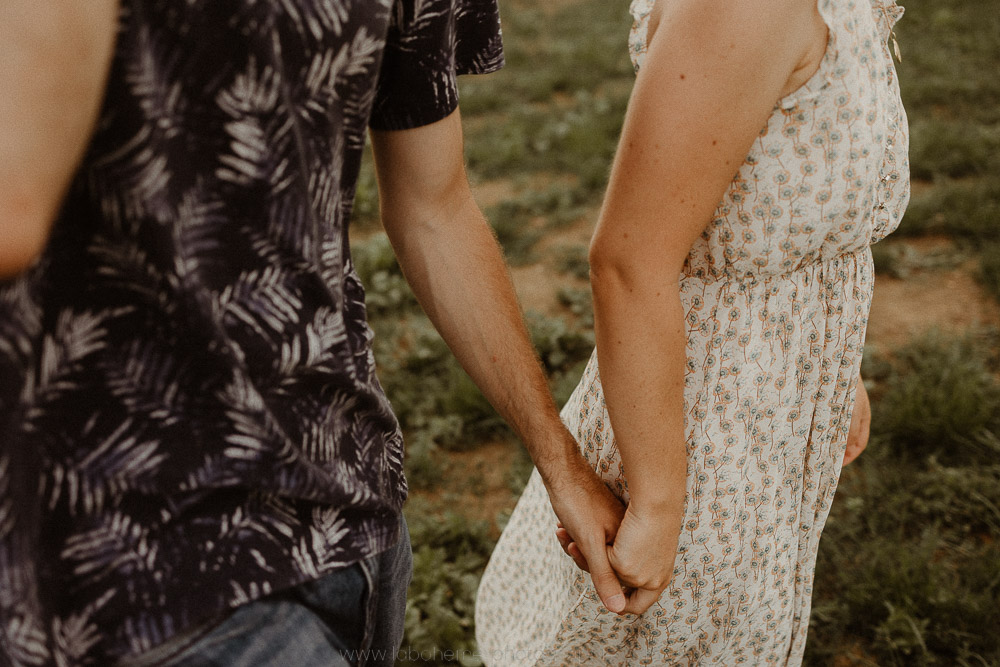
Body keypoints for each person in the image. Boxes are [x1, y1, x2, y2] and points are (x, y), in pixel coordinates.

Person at [0, 1, 629, 664]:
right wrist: (559, 459)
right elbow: (434, 209)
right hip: (320, 511)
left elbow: (12, 208)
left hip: (162, 554)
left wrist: (561, 461)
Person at [475, 0, 908, 662]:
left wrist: (827, 366)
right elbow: (627, 260)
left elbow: (776, 197)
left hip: (775, 419)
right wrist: (658, 501)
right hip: (703, 439)